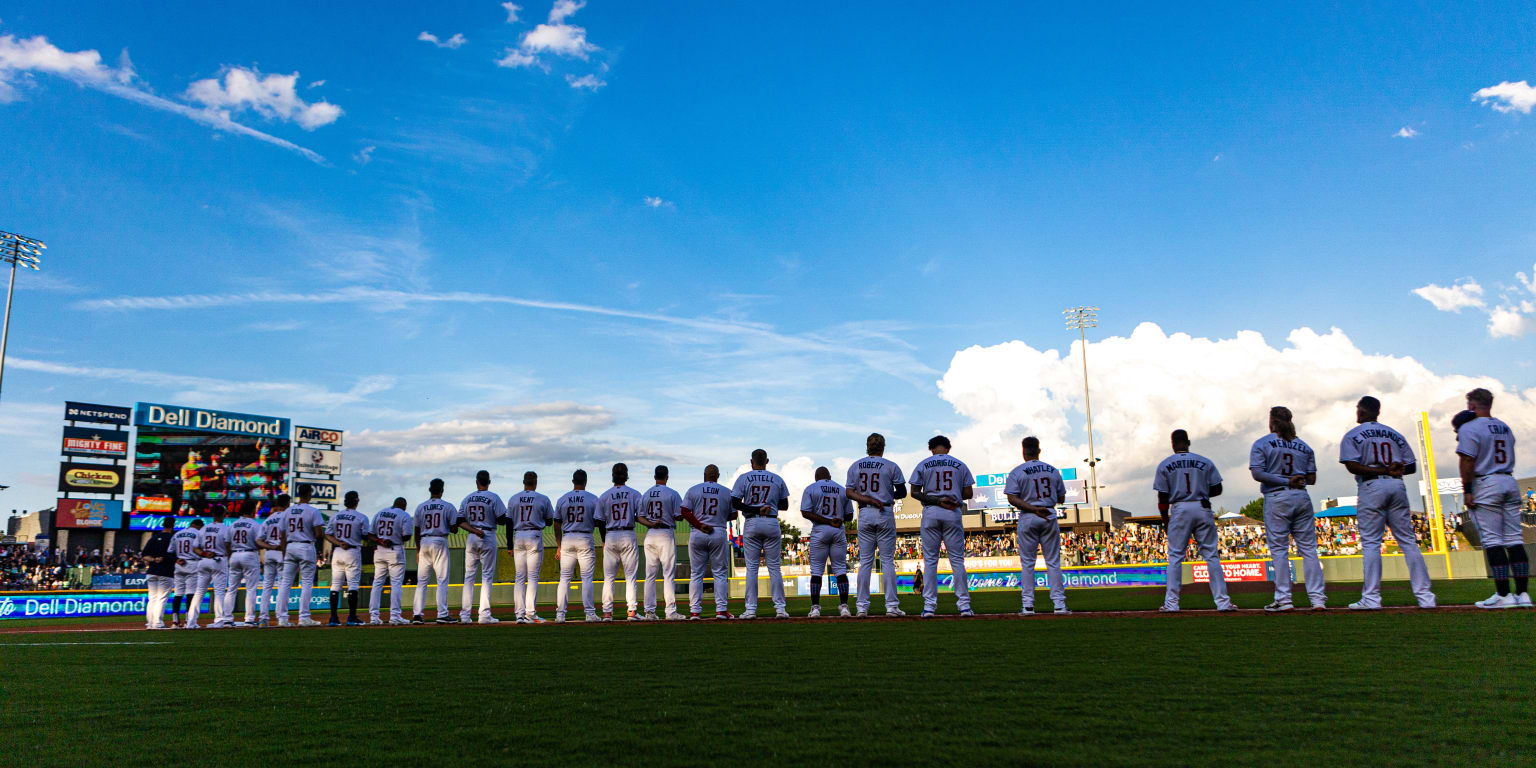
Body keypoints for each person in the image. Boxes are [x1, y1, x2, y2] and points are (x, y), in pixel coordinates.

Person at [1340, 396, 1436, 610]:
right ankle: (1426, 597)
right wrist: (1393, 469)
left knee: (1372, 543)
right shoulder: (1394, 434)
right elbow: (1411, 467)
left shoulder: (1353, 434)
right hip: (1396, 485)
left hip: (1372, 486)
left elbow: (1352, 466)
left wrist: (1382, 469)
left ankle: (1372, 599)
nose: (1357, 412)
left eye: (1358, 409)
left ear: (1362, 411)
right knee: (1408, 542)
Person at [1454, 388, 1528, 609]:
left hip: (1486, 482)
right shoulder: (1504, 426)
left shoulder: (1470, 427)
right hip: (1508, 479)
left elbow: (1467, 460)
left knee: (1493, 541)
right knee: (1514, 539)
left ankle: (1504, 595)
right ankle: (1523, 594)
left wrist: (1467, 489)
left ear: (1472, 405)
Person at [1249, 406, 1326, 612]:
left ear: (1272, 421)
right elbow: (1312, 479)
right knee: (1309, 549)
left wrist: (1285, 480)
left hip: (1277, 496)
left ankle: (1284, 600)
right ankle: (1318, 600)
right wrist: (1295, 478)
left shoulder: (1262, 443)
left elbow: (1257, 473)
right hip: (1301, 496)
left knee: (1280, 550)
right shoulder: (1304, 446)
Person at [1154, 429, 1235, 612]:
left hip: (1180, 507)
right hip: (1201, 506)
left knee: (1175, 557)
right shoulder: (1204, 461)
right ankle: (1223, 602)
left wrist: (1165, 520)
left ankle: (1171, 604)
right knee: (1211, 555)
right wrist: (1203, 492)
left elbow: (1163, 497)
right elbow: (1218, 488)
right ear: (1188, 442)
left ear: (1173, 443)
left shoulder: (1165, 464)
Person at [910, 435, 975, 618]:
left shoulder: (924, 463)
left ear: (931, 448)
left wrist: (937, 499)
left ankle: (929, 606)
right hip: (952, 512)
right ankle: (964, 606)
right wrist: (952, 495)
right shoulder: (959, 464)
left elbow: (914, 492)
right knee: (957, 561)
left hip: (931, 511)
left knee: (930, 561)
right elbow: (968, 493)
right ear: (948, 448)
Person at [1004, 436, 1069, 616]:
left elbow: (1011, 497)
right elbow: (1062, 498)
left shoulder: (1017, 471)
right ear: (1039, 451)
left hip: (1029, 515)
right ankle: (1059, 605)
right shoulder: (1052, 470)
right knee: (1053, 562)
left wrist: (1033, 507)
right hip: (1048, 514)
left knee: (1028, 564)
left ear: (1023, 451)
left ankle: (1028, 606)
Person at [845, 432, 908, 618]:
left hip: (864, 512)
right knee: (887, 561)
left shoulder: (855, 465)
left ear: (867, 445)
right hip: (884, 512)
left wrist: (866, 498)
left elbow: (849, 492)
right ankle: (891, 606)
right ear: (883, 447)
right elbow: (902, 492)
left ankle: (862, 607)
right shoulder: (891, 465)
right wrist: (887, 496)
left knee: (865, 562)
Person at [732, 449, 792, 619]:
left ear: (752, 461)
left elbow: (735, 502)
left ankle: (750, 610)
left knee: (752, 568)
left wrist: (755, 508)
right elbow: (785, 505)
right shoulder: (777, 478)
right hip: (771, 521)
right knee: (774, 568)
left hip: (752, 522)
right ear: (767, 461)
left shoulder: (744, 478)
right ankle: (780, 609)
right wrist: (767, 505)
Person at [413, 478, 475, 624]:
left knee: (421, 581)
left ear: (430, 489)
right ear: (442, 490)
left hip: (424, 542)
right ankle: (442, 614)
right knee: (441, 579)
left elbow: (416, 529)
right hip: (439, 541)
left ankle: (417, 615)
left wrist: (418, 549)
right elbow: (454, 528)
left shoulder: (421, 507)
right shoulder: (447, 506)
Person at [682, 464, 734, 620]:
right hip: (717, 530)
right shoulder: (726, 491)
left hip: (698, 532)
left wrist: (700, 524)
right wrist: (718, 517)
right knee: (720, 573)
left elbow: (684, 511)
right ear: (717, 475)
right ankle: (721, 611)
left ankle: (695, 612)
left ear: (704, 475)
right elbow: (734, 515)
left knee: (696, 574)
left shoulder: (693, 489)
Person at [802, 466, 853, 618]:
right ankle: (844, 607)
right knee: (840, 570)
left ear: (816, 477)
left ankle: (815, 608)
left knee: (817, 571)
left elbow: (805, 512)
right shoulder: (841, 489)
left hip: (820, 530)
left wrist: (827, 521)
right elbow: (849, 516)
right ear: (829, 476)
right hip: (838, 530)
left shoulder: (811, 488)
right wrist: (837, 520)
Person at [596, 463, 644, 621]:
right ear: (627, 475)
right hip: (627, 533)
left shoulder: (604, 495)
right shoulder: (634, 493)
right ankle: (631, 611)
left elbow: (600, 521)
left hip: (610, 535)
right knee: (630, 577)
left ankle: (607, 613)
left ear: (612, 475)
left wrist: (604, 540)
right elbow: (640, 516)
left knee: (609, 577)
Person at [459, 470, 508, 624]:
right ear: (489, 481)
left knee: (469, 576)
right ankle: (484, 615)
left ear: (476, 482)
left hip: (472, 536)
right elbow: (502, 520)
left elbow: (459, 521)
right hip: (487, 535)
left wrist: (474, 530)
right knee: (486, 576)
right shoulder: (493, 497)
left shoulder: (467, 498)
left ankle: (465, 615)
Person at [276, 485, 328, 627]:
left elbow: (282, 535)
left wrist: (284, 552)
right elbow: (318, 534)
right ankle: (304, 617)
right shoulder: (313, 511)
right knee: (306, 582)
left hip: (291, 546)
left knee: (285, 583)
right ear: (310, 494)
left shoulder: (288, 511)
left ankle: (282, 619)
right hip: (305, 545)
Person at [553, 470, 601, 623]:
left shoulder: (563, 498)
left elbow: (556, 524)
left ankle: (560, 615)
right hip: (585, 536)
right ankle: (589, 613)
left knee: (564, 578)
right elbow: (600, 521)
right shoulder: (593, 498)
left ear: (572, 481)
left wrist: (559, 546)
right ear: (585, 481)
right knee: (586, 577)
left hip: (567, 537)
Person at [508, 471, 555, 624]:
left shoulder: (514, 498)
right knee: (533, 577)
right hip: (534, 535)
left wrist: (509, 545)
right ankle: (530, 613)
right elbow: (549, 521)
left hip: (518, 535)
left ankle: (519, 615)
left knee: (519, 577)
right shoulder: (542, 498)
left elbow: (508, 523)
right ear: (535, 482)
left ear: (523, 482)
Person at [639, 465, 684, 621]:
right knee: (668, 575)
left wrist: (651, 524)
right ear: (667, 476)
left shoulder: (646, 494)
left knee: (650, 575)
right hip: (665, 533)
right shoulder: (672, 493)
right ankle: (670, 611)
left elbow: (640, 517)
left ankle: (649, 612)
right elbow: (679, 516)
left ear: (654, 476)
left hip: (650, 534)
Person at [324, 491, 371, 626]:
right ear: (357, 501)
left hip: (338, 551)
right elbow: (365, 536)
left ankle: (333, 618)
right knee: (353, 586)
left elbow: (327, 534)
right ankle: (351, 617)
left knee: (335, 585)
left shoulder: (336, 516)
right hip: (352, 550)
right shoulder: (361, 517)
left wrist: (339, 543)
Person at [368, 497, 414, 625]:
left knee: (377, 583)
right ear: (404, 505)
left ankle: (374, 616)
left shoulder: (380, 513)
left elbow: (370, 534)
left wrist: (381, 540)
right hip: (394, 549)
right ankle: (395, 616)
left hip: (379, 550)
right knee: (396, 584)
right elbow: (407, 535)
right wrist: (393, 536)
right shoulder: (403, 515)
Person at [226, 502, 264, 627]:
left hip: (235, 555)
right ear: (252, 510)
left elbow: (227, 543)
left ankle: (227, 618)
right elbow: (259, 542)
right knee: (251, 588)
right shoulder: (254, 524)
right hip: (249, 554)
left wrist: (230, 556)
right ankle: (249, 618)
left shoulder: (232, 524)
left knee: (231, 588)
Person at [254, 496, 289, 627]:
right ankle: (281, 618)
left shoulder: (268, 520)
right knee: (282, 586)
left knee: (267, 587)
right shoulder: (286, 517)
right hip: (282, 553)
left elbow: (258, 540)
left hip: (269, 553)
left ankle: (263, 618)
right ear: (287, 504)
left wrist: (270, 546)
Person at [195, 509, 233, 628]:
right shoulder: (225, 528)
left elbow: (195, 548)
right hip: (218, 559)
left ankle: (191, 621)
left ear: (213, 515)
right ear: (223, 515)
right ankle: (218, 620)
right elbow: (228, 545)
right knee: (219, 592)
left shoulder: (203, 528)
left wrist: (205, 554)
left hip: (204, 560)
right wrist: (228, 555)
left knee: (199, 592)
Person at [142, 517, 176, 630]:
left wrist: (153, 560)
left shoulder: (154, 537)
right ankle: (157, 623)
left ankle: (150, 623)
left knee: (152, 598)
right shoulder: (172, 538)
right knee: (161, 598)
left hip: (152, 571)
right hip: (166, 572)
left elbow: (144, 555)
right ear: (172, 525)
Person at [170, 519, 204, 629]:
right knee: (191, 593)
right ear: (197, 525)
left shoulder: (177, 533)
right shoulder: (198, 533)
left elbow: (170, 551)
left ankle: (175, 622)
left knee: (178, 593)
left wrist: (177, 559)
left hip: (179, 564)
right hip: (192, 563)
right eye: (201, 526)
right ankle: (187, 621)